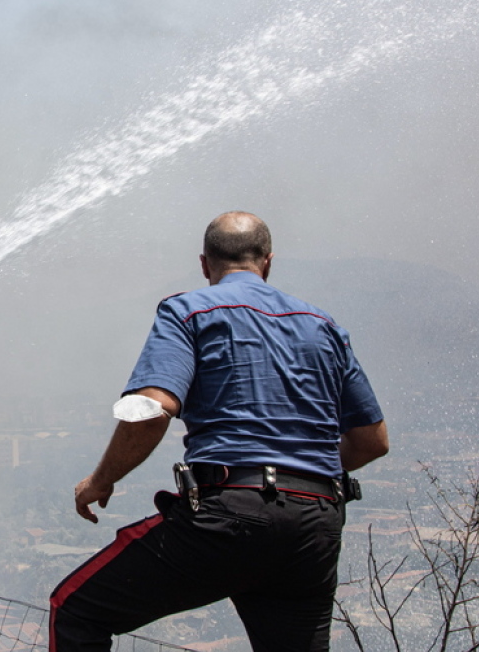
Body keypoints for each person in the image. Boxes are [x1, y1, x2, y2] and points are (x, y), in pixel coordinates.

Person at [49, 211, 389, 652]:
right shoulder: (324, 326)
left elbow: (152, 408)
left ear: (205, 264)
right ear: (267, 262)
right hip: (315, 525)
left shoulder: (189, 311)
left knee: (76, 609)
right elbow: (372, 441)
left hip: (230, 515)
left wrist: (101, 480)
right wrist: (298, 470)